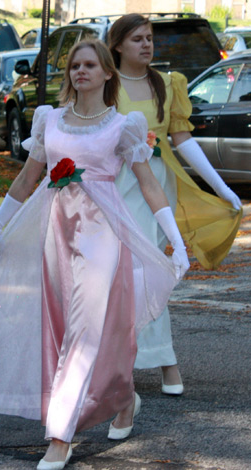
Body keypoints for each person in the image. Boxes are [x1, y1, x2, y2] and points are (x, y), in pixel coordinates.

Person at [0, 39, 189, 470]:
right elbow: (27, 178)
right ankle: (122, 397)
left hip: (102, 237)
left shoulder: (123, 126)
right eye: (74, 65)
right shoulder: (50, 120)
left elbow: (150, 185)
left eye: (90, 65)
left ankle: (60, 436)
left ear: (107, 72)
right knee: (62, 330)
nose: (80, 71)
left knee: (84, 329)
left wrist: (176, 240)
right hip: (55, 237)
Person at [108, 14, 242, 395]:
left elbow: (182, 140)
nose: (147, 45)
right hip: (116, 187)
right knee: (118, 275)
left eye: (149, 38)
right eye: (137, 39)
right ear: (117, 45)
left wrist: (222, 187)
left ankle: (164, 361)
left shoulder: (168, 84)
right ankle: (127, 363)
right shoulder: (106, 84)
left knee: (147, 273)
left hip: (155, 189)